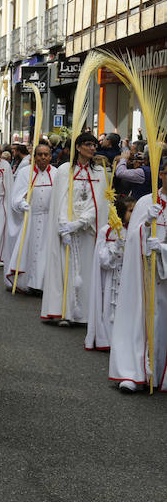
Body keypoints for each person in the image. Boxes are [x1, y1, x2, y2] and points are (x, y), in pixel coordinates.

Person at [108, 162, 167, 392]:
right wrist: (144, 229)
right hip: (145, 272)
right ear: (161, 174)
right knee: (142, 318)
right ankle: (135, 370)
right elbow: (131, 237)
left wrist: (162, 248)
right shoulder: (145, 203)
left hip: (164, 272)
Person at [40, 132, 108, 325]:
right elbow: (60, 199)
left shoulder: (100, 172)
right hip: (67, 231)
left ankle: (85, 314)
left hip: (87, 230)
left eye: (95, 145)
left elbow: (100, 204)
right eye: (88, 144)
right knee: (66, 270)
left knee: (86, 270)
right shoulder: (64, 171)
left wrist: (80, 222)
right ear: (78, 147)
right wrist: (64, 225)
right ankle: (65, 312)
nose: (93, 148)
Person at [4, 144, 57, 294]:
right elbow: (15, 197)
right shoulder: (25, 173)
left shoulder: (56, 173)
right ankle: (26, 283)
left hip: (48, 220)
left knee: (45, 254)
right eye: (39, 154)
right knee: (29, 251)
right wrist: (21, 204)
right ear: (34, 157)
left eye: (46, 154)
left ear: (50, 157)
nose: (43, 157)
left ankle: (41, 285)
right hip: (30, 220)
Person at [85, 197, 132, 352]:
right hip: (110, 278)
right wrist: (116, 248)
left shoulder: (133, 229)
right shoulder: (108, 230)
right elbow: (102, 259)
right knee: (108, 307)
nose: (134, 214)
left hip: (126, 276)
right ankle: (106, 338)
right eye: (131, 211)